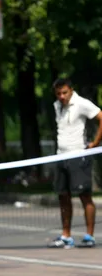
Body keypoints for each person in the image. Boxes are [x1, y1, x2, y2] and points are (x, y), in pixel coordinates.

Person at [48, 78, 101, 249]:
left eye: (64, 93)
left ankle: (89, 236)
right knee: (63, 196)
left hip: (79, 156)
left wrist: (95, 143)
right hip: (60, 156)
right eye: (58, 94)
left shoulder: (81, 103)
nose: (62, 97)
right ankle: (66, 236)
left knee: (84, 196)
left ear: (71, 90)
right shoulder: (57, 106)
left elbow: (101, 118)